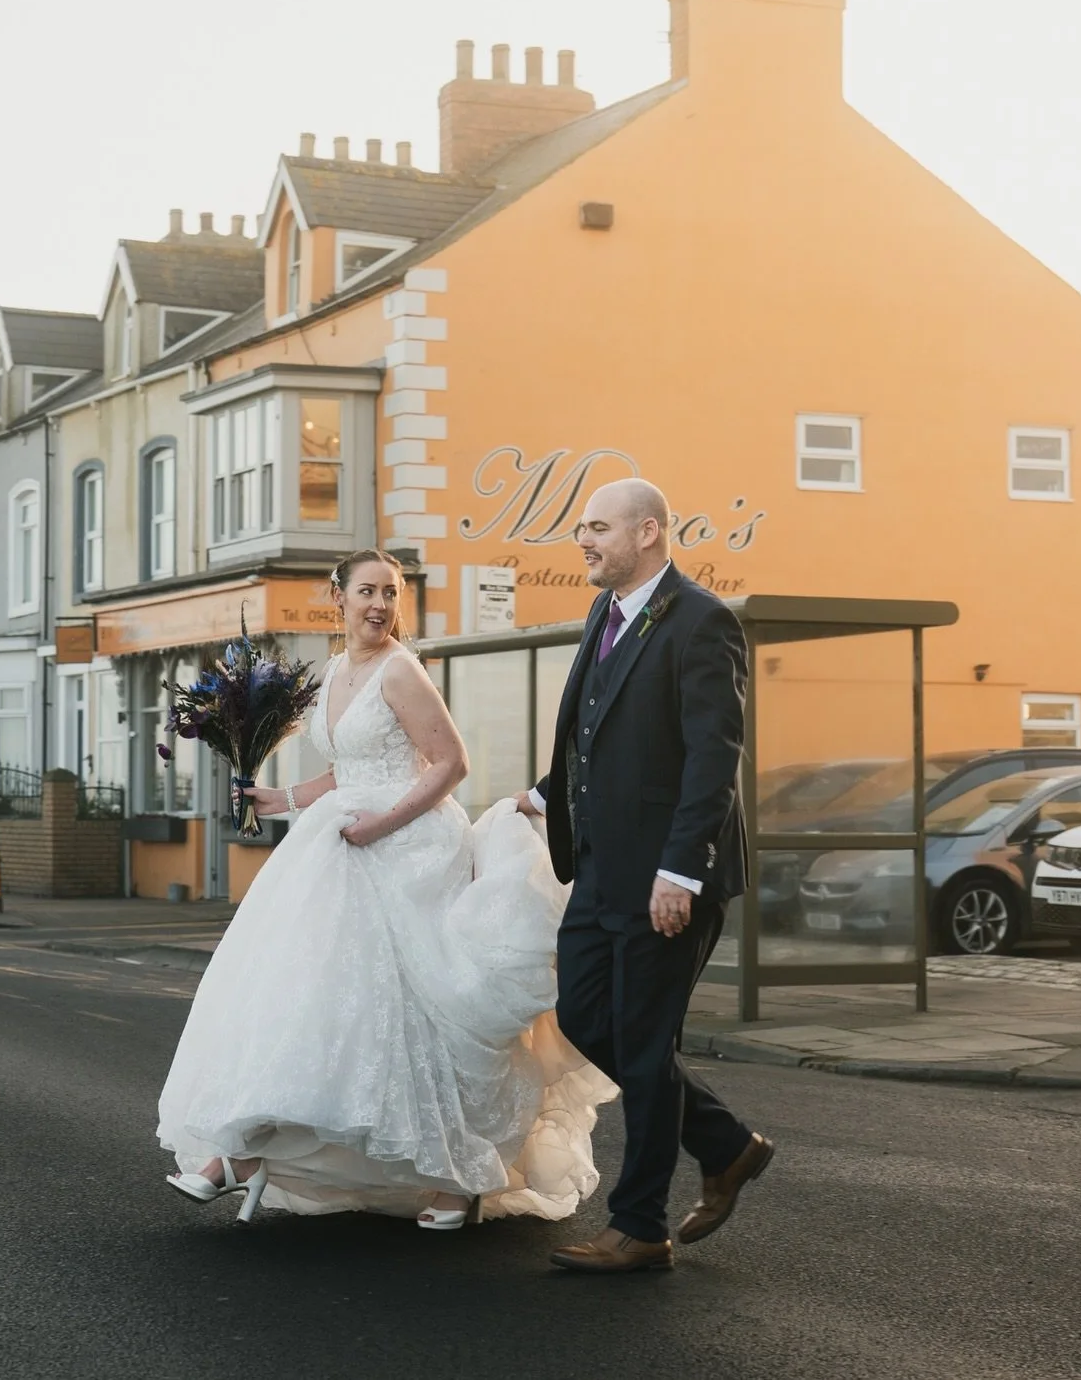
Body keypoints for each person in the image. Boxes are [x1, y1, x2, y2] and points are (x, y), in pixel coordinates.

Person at [158, 549, 613, 1230]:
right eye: (367, 591)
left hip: (410, 849)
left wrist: (383, 824)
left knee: (424, 1011)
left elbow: (450, 763)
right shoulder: (340, 669)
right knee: (310, 999)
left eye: (390, 593)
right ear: (335, 596)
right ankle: (245, 1150)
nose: (379, 605)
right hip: (341, 843)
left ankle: (458, 1176)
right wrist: (280, 796)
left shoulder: (401, 668)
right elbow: (349, 768)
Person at [517, 478, 774, 1273]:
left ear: (648, 533)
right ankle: (725, 1144)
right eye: (582, 530)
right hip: (598, 872)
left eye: (597, 528)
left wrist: (680, 872)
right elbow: (594, 735)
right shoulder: (606, 612)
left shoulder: (703, 622)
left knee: (644, 1038)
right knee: (589, 1021)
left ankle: (638, 1227)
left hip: (666, 880)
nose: (583, 542)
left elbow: (711, 759)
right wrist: (542, 796)